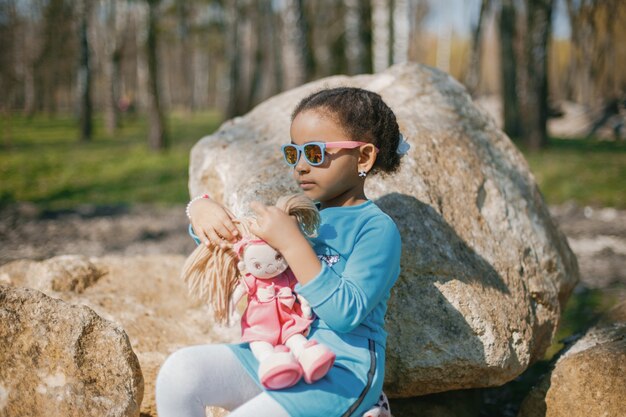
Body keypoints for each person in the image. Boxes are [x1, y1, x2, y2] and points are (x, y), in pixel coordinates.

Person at [156, 86, 408, 417]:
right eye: (294, 153)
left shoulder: (375, 228)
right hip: (276, 358)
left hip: (340, 374)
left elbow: (346, 313)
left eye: (316, 153)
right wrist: (200, 212)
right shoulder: (300, 215)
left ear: (363, 157)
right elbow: (246, 254)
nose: (301, 166)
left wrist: (292, 244)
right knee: (180, 372)